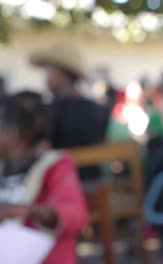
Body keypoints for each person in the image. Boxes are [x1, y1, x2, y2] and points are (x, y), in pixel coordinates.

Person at [0, 93, 88, 264]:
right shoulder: (4, 166)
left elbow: (75, 214)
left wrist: (20, 210)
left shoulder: (55, 164)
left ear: (13, 130)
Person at [30, 44, 109, 181]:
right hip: (96, 187)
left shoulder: (48, 111)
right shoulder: (100, 110)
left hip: (60, 188)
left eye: (49, 70)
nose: (46, 77)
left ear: (64, 74)